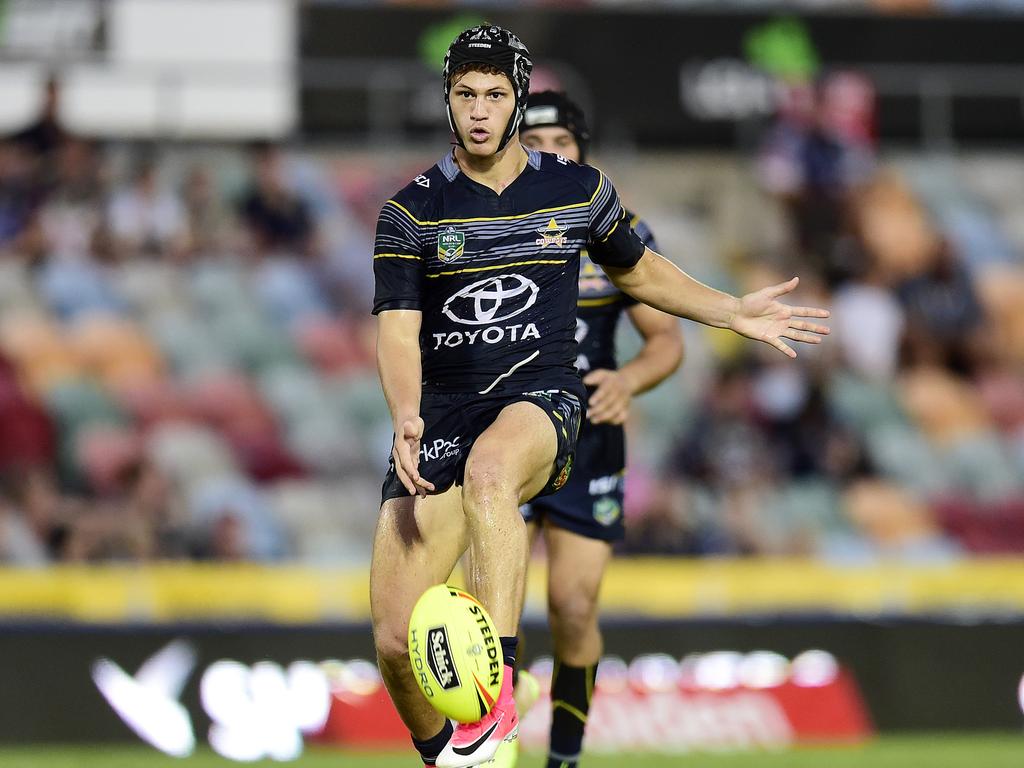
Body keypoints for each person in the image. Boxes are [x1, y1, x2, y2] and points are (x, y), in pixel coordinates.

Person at [370, 24, 829, 768]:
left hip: (540, 401)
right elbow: (397, 331)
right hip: (443, 413)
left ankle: (498, 705)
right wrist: (406, 414)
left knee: (495, 478)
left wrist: (731, 310)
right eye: (465, 95)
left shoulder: (577, 190)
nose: (480, 110)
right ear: (446, 101)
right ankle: (454, 757)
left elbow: (643, 274)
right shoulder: (409, 213)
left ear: (518, 99)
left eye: (495, 94)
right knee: (395, 639)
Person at [514, 90, 684, 767]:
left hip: (588, 443)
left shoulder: (622, 233)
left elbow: (666, 340)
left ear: (582, 151)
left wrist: (628, 380)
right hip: (508, 432)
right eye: (535, 145)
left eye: (561, 144)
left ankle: (563, 756)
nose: (549, 156)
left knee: (573, 606)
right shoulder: (488, 221)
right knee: (485, 605)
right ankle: (490, 737)